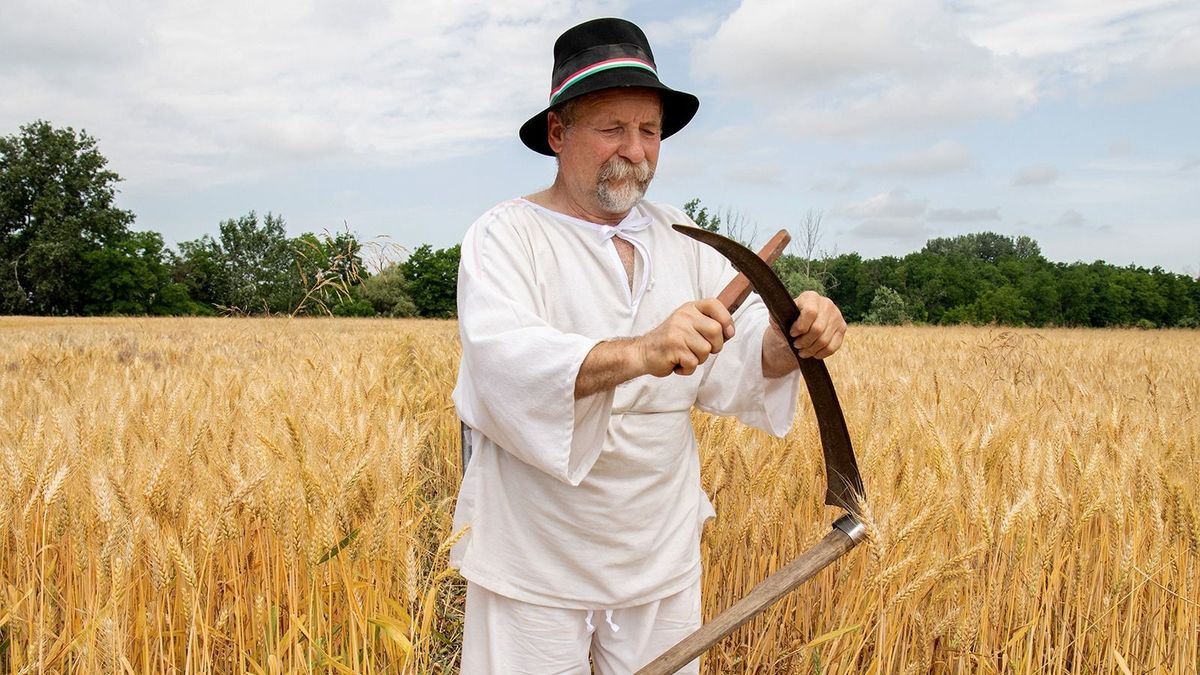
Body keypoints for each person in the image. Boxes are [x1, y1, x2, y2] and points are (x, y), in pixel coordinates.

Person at [450, 17, 847, 674]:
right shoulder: (505, 236)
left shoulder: (680, 234)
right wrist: (639, 351)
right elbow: (502, 362)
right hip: (537, 559)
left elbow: (737, 362)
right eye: (612, 128)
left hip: (658, 556)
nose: (634, 150)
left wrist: (790, 338)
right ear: (558, 132)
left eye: (650, 131)